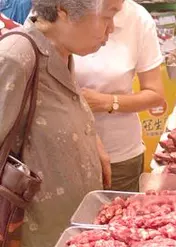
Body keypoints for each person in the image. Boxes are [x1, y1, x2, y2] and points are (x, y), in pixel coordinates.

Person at [0, 0, 121, 246]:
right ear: (63, 11)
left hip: (71, 228)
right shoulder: (16, 57)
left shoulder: (61, 53)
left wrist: (90, 140)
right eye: (107, 16)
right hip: (36, 234)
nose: (112, 28)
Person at [75, 0, 165, 192]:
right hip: (65, 153)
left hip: (120, 153)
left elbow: (155, 94)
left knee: (116, 218)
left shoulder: (138, 19)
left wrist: (107, 102)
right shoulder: (63, 11)